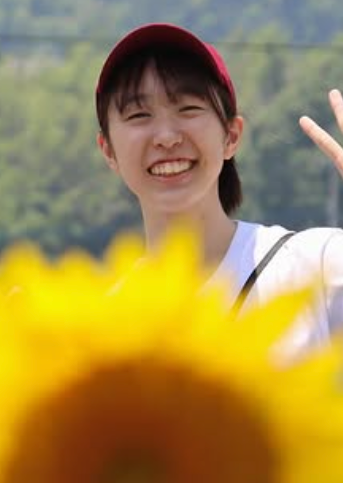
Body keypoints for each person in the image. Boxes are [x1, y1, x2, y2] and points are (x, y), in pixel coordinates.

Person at [95, 22, 343, 354]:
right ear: (108, 150)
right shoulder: (100, 331)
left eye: (188, 109)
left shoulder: (316, 264)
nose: (167, 137)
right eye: (140, 115)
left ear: (231, 136)